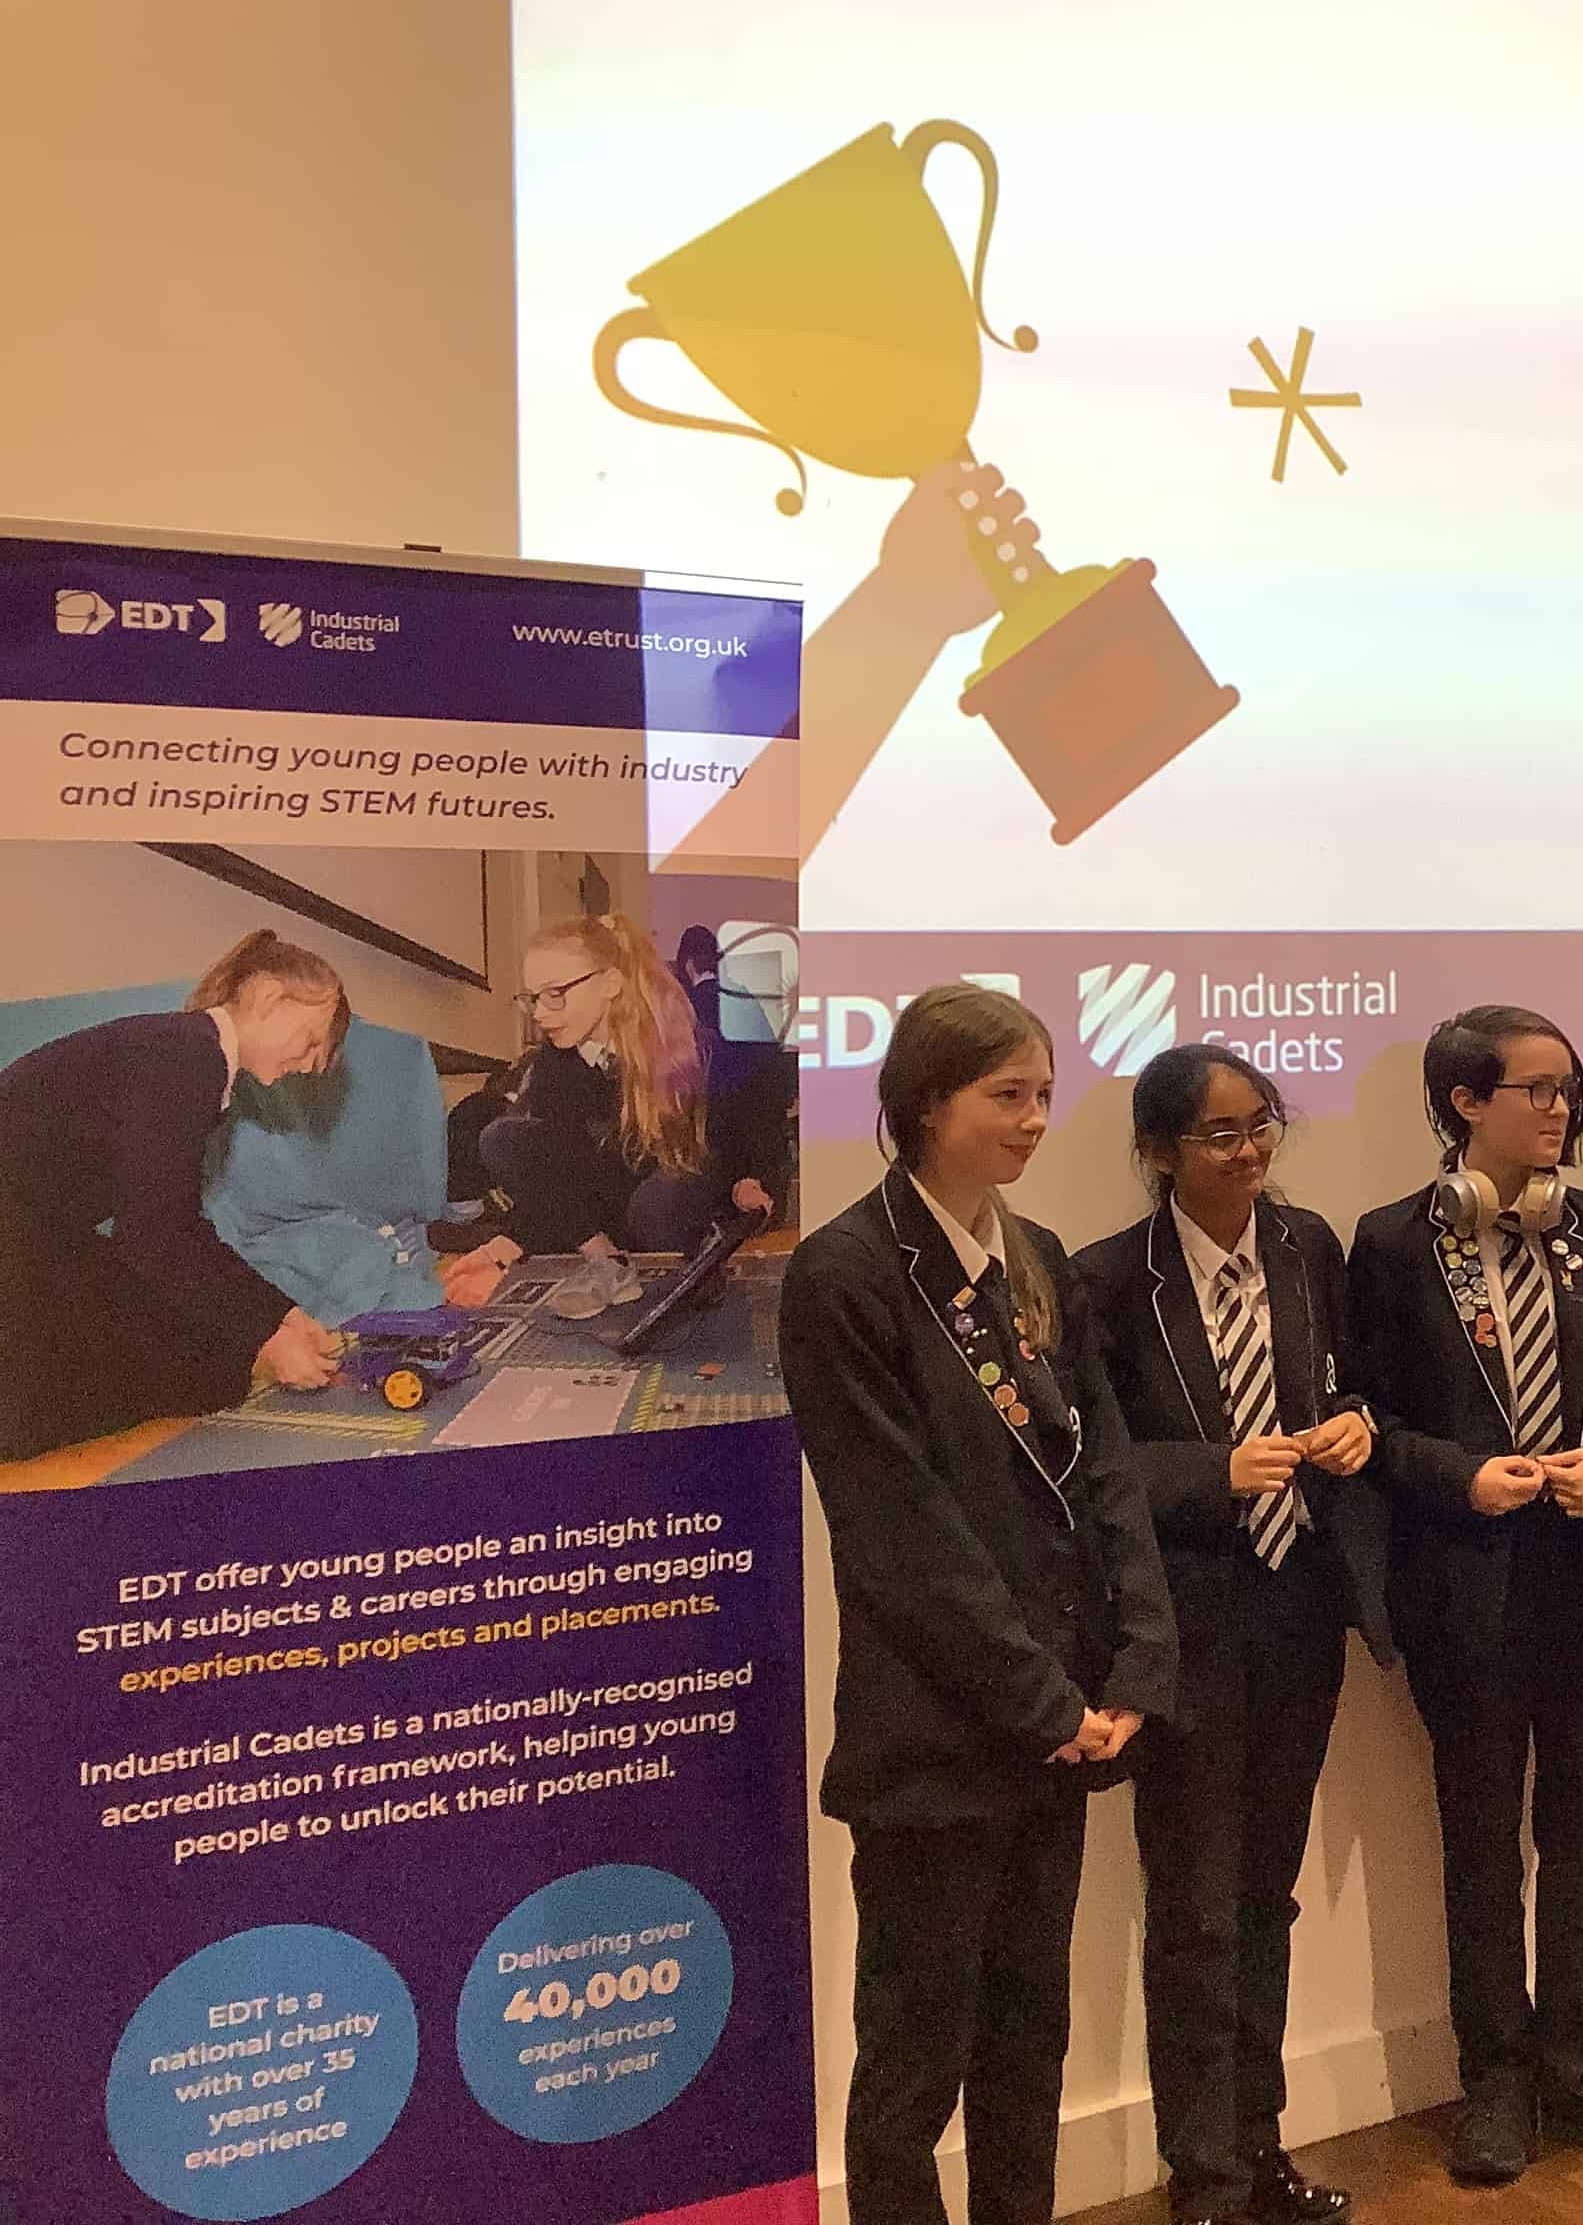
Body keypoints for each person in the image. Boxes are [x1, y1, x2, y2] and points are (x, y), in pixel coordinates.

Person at [778, 983, 1179, 2225]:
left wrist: (1132, 1674)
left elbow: (1106, 1473)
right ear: (921, 1104)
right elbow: (904, 1536)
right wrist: (1041, 1700)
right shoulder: (844, 1274)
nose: (1035, 1121)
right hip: (941, 1739)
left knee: (1028, 2042)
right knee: (913, 2063)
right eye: (1007, 1096)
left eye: (1045, 1095)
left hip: (1061, 1726)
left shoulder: (1037, 1257)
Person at [1346, 1007, 1583, 2186]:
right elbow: (1368, 1418)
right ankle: (1494, 2084)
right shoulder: (1394, 1246)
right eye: (1537, 1091)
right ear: (1465, 1103)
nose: (1560, 1112)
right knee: (1482, 1848)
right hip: (1470, 1586)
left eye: (1568, 1091)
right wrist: (1459, 1476)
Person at [1076, 1045, 1394, 2225]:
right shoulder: (1108, 1279)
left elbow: (1357, 1382)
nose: (1251, 1150)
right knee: (1198, 1908)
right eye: (1221, 1134)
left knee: (1266, 1899)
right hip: (1189, 1626)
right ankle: (1201, 2174)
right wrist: (1215, 1470)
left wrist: (1354, 1425)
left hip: (1302, 1604)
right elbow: (1091, 1468)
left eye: (1263, 1125)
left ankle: (1259, 2150)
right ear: (1159, 1152)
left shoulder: (1309, 1247)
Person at [0, 930, 350, 1456]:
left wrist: (279, 1313)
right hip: (19, 1242)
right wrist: (266, 1334)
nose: (311, 1065)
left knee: (207, 1353)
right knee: (187, 1366)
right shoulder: (190, 1058)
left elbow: (167, 1222)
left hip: (38, 1235)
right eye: (313, 1041)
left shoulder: (185, 1050)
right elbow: (156, 1235)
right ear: (268, 997)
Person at [481, 914, 779, 1255]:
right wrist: (509, 1242)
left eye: (554, 993)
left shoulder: (683, 1046)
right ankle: (604, 1258)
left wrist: (752, 1178)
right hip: (614, 1195)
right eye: (533, 998)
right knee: (502, 1137)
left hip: (682, 1178)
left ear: (610, 984)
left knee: (657, 1205)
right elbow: (557, 1170)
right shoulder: (555, 1063)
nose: (538, 1013)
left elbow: (740, 1128)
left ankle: (686, 1262)